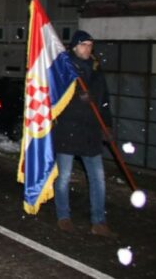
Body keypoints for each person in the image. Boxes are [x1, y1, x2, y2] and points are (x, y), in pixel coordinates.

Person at [53, 30, 116, 237]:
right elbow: (54, 98)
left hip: (91, 132)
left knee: (98, 178)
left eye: (90, 45)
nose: (87, 49)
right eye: (83, 45)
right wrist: (75, 98)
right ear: (74, 47)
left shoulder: (97, 72)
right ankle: (63, 216)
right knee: (63, 178)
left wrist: (107, 125)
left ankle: (98, 221)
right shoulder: (65, 69)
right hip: (68, 131)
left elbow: (104, 102)